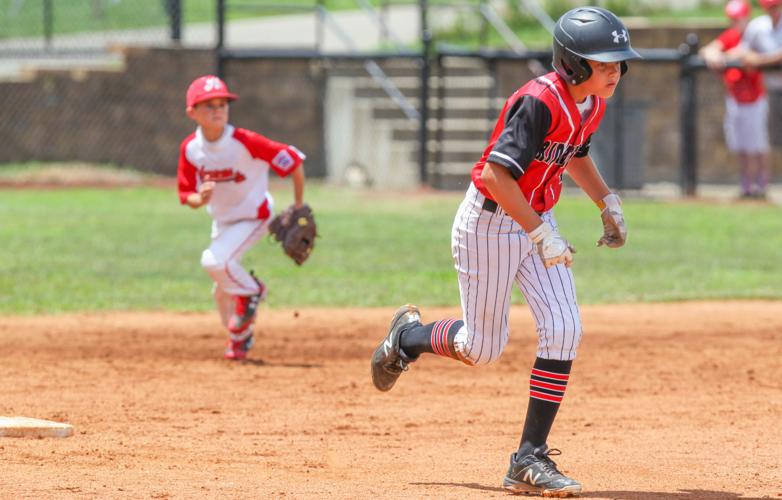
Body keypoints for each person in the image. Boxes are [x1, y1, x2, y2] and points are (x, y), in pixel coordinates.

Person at [370, 6, 638, 497]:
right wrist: (540, 233)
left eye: (619, 62)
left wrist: (607, 202)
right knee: (481, 348)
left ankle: (528, 458)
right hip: (489, 226)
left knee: (564, 328)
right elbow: (496, 175)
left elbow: (573, 155)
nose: (615, 71)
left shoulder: (590, 103)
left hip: (536, 221)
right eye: (605, 63)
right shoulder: (539, 101)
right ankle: (408, 339)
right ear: (574, 64)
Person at [177, 75, 306, 360]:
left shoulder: (245, 141)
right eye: (208, 105)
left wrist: (298, 206)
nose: (217, 110)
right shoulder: (190, 149)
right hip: (223, 221)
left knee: (215, 261)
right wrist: (201, 198)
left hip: (254, 216)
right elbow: (186, 194)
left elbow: (293, 161)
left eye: (222, 103)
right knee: (221, 292)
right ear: (192, 112)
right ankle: (239, 341)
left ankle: (253, 290)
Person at [700, 0, 769, 199]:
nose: (735, 22)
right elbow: (709, 49)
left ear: (747, 17)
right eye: (732, 19)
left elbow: (748, 53)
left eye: (738, 18)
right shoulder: (731, 35)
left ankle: (761, 184)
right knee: (741, 145)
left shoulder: (755, 34)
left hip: (755, 99)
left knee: (758, 146)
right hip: (736, 99)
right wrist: (713, 54)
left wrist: (727, 56)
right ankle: (746, 185)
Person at [738, 0, 782, 198]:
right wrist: (755, 59)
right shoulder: (758, 26)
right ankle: (764, 185)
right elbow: (744, 53)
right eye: (770, 6)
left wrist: (760, 61)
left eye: (776, 5)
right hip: (773, 90)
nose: (773, 9)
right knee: (770, 140)